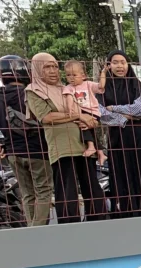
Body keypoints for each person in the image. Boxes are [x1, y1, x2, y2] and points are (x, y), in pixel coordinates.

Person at [24, 52, 106, 223]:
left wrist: (91, 121)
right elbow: (46, 117)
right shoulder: (33, 90)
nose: (54, 70)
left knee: (92, 188)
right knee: (67, 191)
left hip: (83, 144)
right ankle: (70, 231)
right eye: (47, 67)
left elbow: (88, 111)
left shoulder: (67, 88)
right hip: (62, 148)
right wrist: (79, 117)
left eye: (55, 66)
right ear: (37, 69)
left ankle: (99, 225)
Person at [103, 50, 141, 217]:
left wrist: (115, 108)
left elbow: (140, 110)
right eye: (115, 62)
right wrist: (126, 117)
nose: (119, 66)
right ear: (108, 65)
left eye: (123, 62)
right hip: (117, 138)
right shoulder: (103, 87)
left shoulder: (135, 83)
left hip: (138, 136)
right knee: (121, 171)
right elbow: (102, 114)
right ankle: (127, 213)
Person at [0, 55, 52, 226]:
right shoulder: (33, 92)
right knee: (43, 191)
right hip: (38, 150)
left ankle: (30, 229)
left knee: (27, 193)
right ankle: (39, 231)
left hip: (13, 152)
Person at [61, 60, 102, 162]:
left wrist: (104, 73)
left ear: (83, 76)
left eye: (74, 75)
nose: (71, 77)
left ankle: (91, 146)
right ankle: (100, 152)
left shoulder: (88, 84)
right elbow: (69, 97)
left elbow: (100, 87)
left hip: (93, 111)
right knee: (89, 129)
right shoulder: (68, 88)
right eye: (68, 75)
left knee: (83, 127)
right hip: (81, 111)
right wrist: (69, 108)